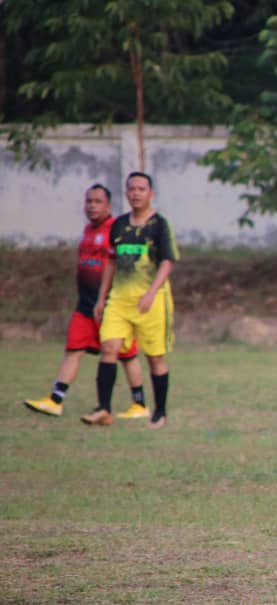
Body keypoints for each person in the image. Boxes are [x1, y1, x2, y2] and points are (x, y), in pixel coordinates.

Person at [24, 184, 148, 419]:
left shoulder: (118, 230)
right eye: (88, 201)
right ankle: (55, 400)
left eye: (98, 201)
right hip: (85, 305)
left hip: (112, 306)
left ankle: (139, 404)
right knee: (74, 349)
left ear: (108, 205)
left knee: (126, 354)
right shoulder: (88, 230)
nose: (92, 206)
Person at [81, 172, 179, 429]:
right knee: (109, 348)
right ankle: (104, 409)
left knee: (154, 357)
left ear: (150, 193)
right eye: (132, 189)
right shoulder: (119, 225)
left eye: (141, 189)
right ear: (126, 193)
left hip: (152, 300)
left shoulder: (159, 225)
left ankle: (160, 412)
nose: (136, 193)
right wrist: (101, 298)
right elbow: (111, 262)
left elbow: (167, 262)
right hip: (120, 301)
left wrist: (150, 293)